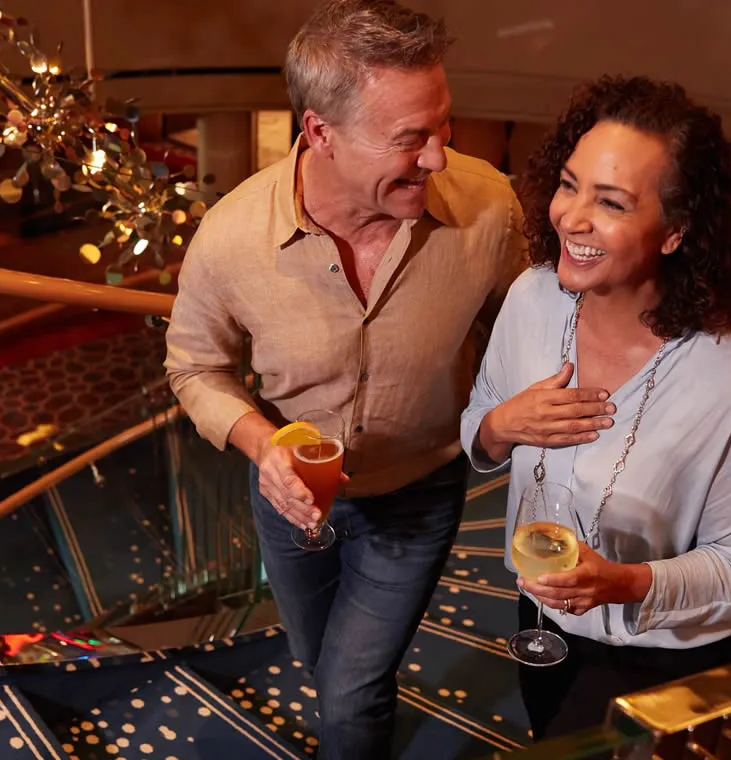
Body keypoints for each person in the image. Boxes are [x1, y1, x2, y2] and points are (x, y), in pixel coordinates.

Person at [163, 1, 524, 756]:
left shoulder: (490, 209)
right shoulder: (230, 238)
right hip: (288, 504)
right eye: (410, 138)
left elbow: (524, 334)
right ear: (320, 131)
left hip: (418, 497)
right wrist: (263, 446)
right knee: (317, 661)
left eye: (444, 127)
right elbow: (195, 366)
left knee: (353, 691)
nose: (437, 158)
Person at [459, 76, 731, 740]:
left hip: (660, 652)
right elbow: (480, 422)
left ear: (674, 232)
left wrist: (624, 582)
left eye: (610, 202)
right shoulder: (530, 299)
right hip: (541, 611)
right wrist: (500, 426)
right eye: (569, 185)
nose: (572, 217)